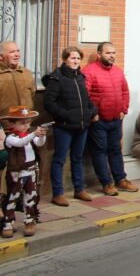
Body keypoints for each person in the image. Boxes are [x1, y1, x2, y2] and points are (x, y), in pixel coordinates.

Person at [42, 46, 98, 206]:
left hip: (82, 126)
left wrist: (92, 111)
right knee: (59, 159)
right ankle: (57, 193)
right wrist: (66, 115)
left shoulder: (80, 76)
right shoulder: (57, 78)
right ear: (65, 59)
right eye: (73, 58)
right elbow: (49, 103)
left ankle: (79, 189)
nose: (76, 61)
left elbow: (86, 99)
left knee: (77, 158)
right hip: (64, 127)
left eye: (78, 58)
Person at [83, 42, 138, 195]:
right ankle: (106, 183)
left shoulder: (118, 71)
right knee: (100, 151)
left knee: (116, 150)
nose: (112, 56)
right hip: (98, 120)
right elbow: (85, 95)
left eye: (113, 53)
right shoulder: (89, 71)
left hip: (115, 119)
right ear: (99, 54)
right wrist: (93, 113)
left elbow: (125, 92)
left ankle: (121, 179)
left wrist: (124, 110)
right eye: (108, 53)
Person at [1, 107, 46, 238]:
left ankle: (30, 221)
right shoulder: (10, 138)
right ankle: (8, 223)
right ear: (12, 124)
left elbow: (39, 143)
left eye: (28, 122)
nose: (26, 125)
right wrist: (34, 133)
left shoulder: (29, 135)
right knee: (12, 198)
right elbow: (20, 143)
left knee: (30, 197)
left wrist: (41, 136)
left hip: (30, 171)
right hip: (16, 173)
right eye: (22, 123)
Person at [0, 41, 35, 113]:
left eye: (18, 51)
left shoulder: (27, 73)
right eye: (12, 52)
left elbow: (32, 94)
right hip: (4, 119)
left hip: (25, 118)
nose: (17, 55)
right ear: (1, 56)